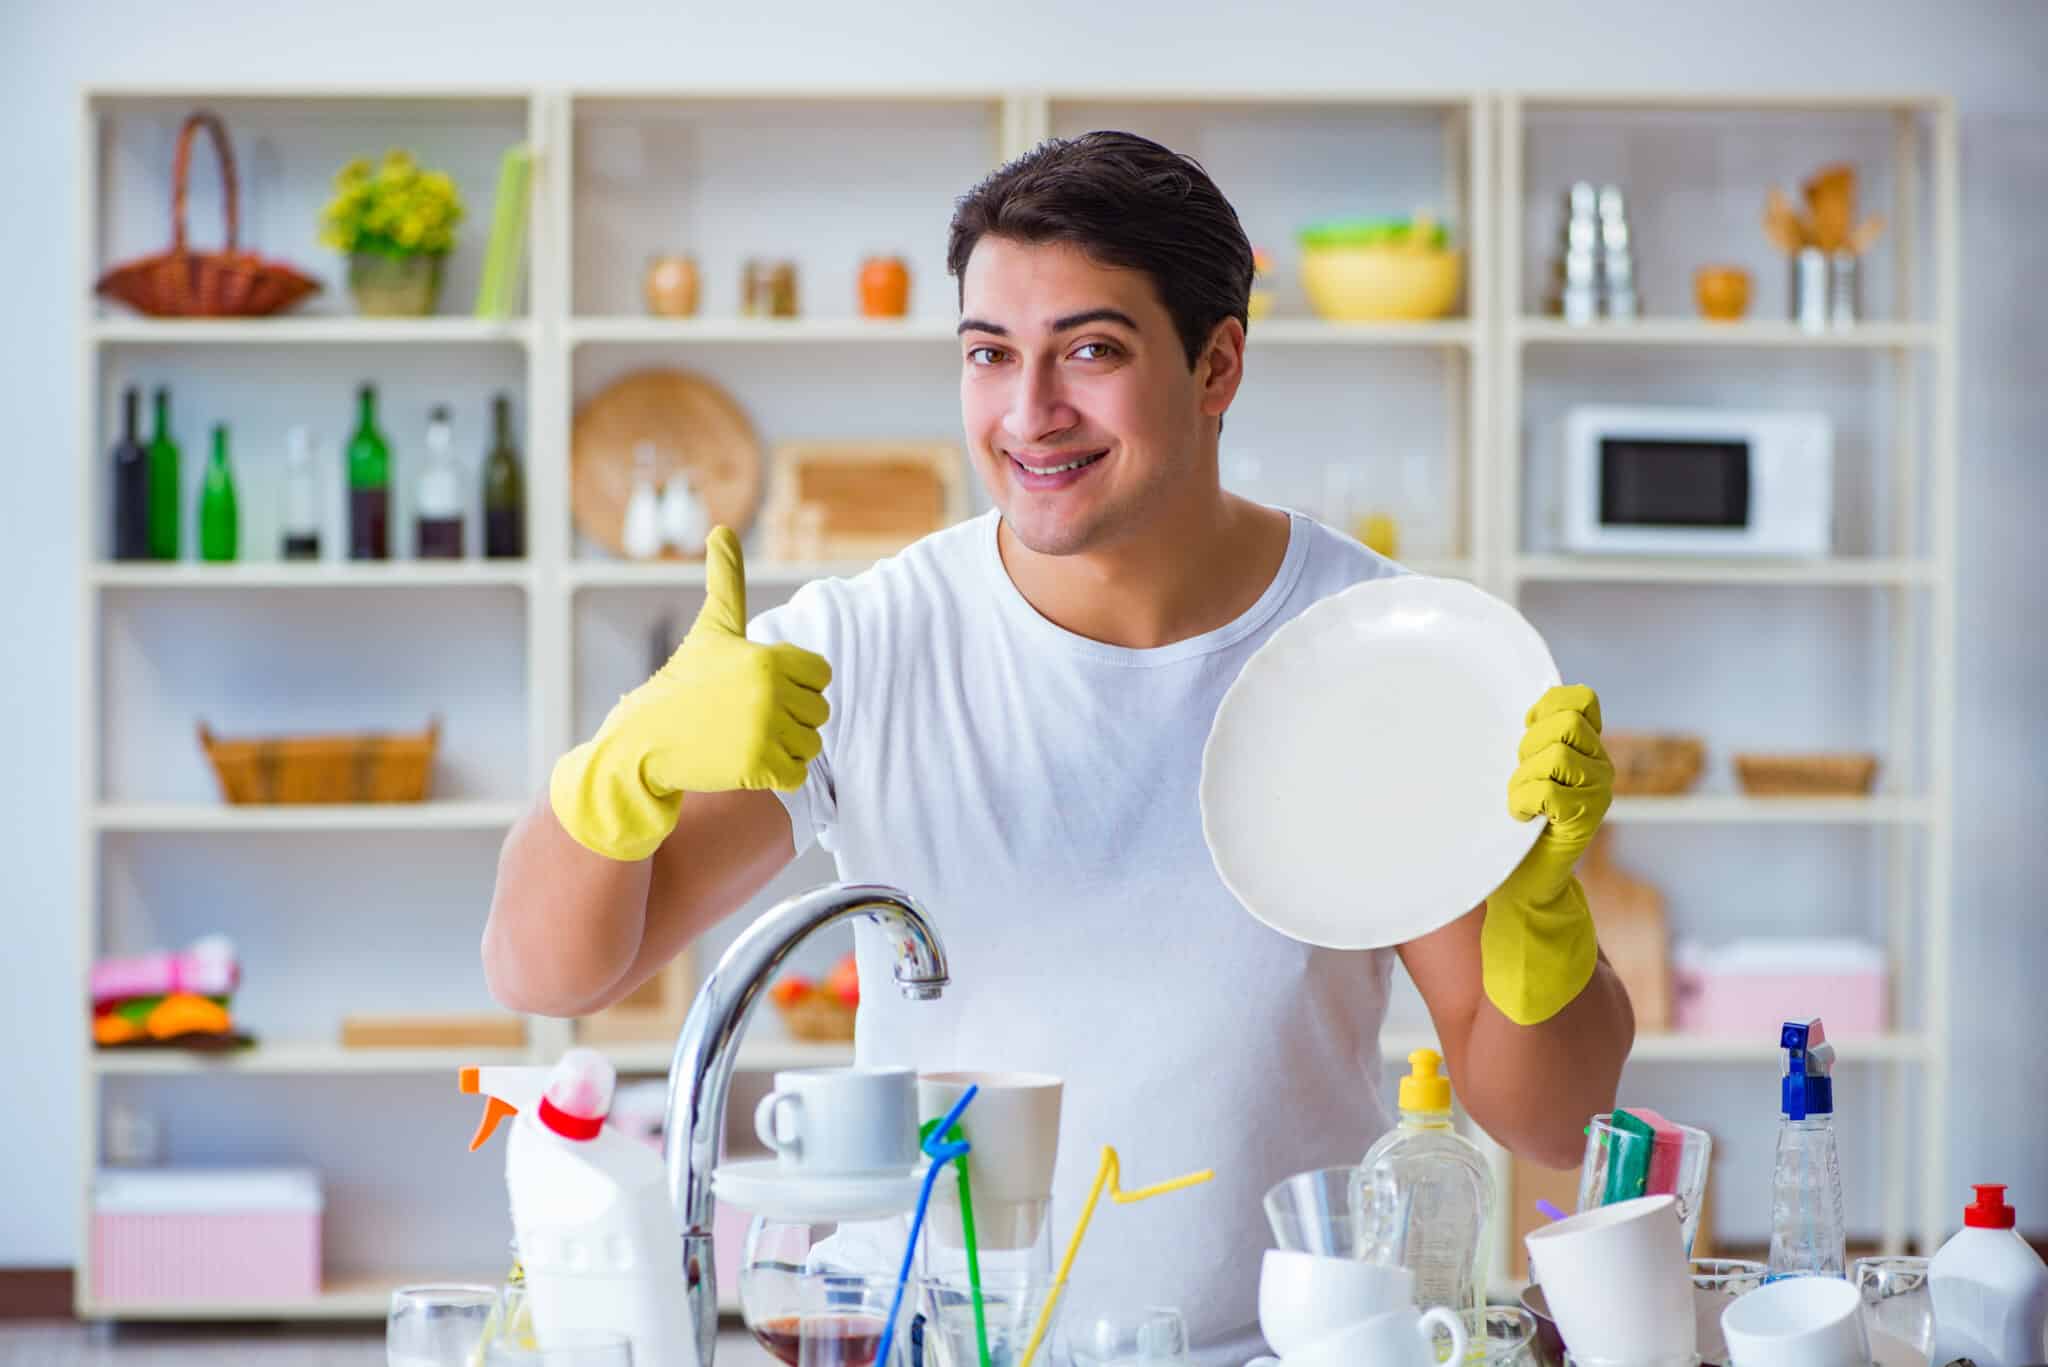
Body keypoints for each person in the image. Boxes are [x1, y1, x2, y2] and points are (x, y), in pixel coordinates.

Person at [485, 130, 1632, 1362]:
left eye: (1089, 349)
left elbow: (1554, 1125)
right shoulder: (868, 643)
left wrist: (1534, 901)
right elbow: (545, 971)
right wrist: (623, 766)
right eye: (988, 354)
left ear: (1216, 364)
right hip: (924, 1339)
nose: (1028, 413)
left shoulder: (1375, 656)